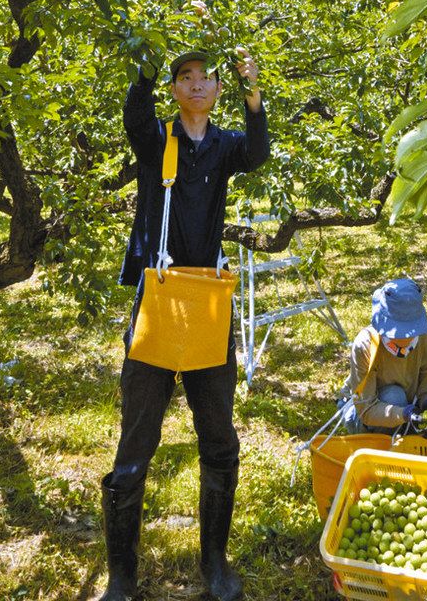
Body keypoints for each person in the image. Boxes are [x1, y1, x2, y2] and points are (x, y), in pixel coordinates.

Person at [98, 49, 269, 601]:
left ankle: (214, 564)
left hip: (208, 302)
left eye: (206, 78)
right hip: (162, 297)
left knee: (219, 439)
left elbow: (258, 151)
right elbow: (134, 120)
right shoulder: (158, 141)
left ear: (217, 90)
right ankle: (122, 576)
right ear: (174, 89)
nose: (197, 85)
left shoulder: (223, 147)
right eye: (185, 78)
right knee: (135, 445)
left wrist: (253, 92)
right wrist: (143, 71)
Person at [342, 277, 427, 438]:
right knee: (394, 395)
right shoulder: (366, 345)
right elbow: (366, 409)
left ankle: (408, 436)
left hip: (408, 406)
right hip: (366, 413)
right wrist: (405, 414)